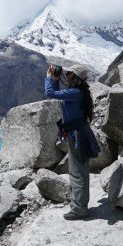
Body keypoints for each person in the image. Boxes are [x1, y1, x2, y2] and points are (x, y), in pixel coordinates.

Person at [44, 63, 99, 220]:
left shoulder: (75, 92)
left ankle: (79, 209)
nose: (65, 75)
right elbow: (56, 92)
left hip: (77, 136)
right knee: (80, 171)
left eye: (69, 74)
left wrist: (49, 78)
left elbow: (50, 93)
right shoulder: (77, 92)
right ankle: (80, 205)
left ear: (76, 78)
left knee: (77, 173)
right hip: (76, 133)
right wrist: (55, 79)